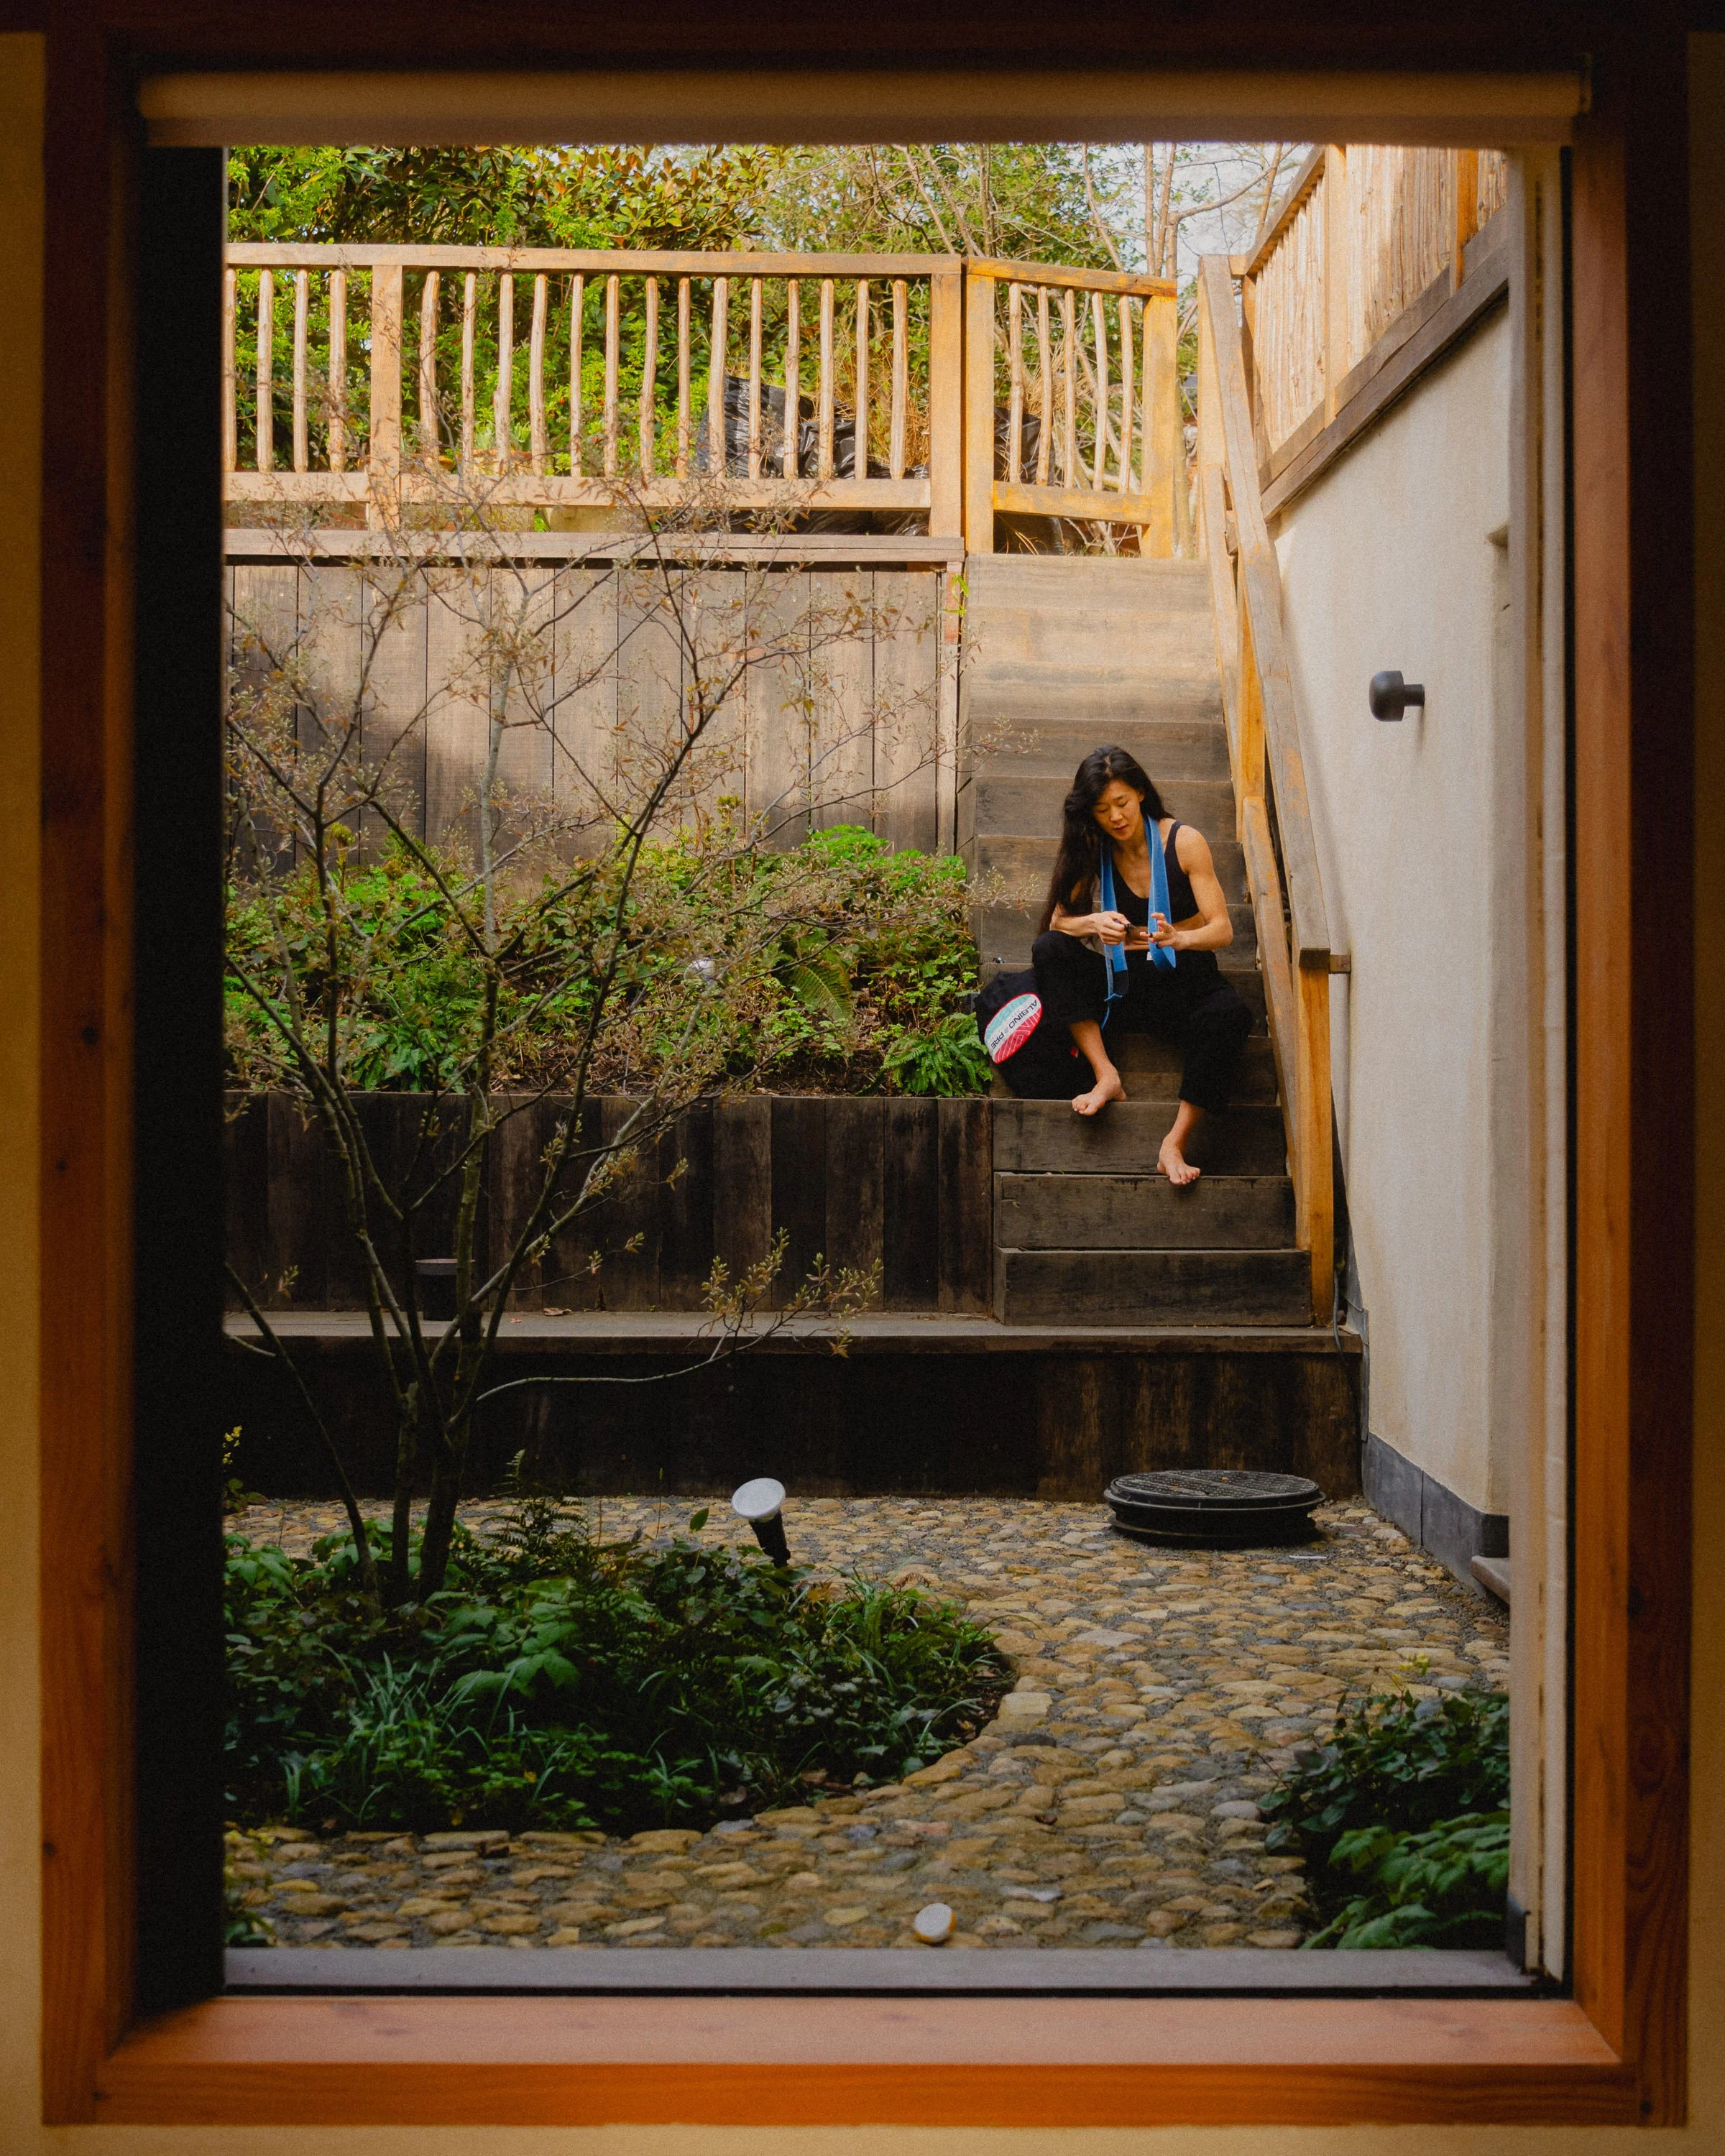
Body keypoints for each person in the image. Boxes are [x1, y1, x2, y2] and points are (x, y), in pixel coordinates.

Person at [998, 745, 1253, 1187]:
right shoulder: (1094, 846)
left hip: (1184, 979)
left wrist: (1179, 937)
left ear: (1139, 793)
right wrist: (1093, 923)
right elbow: (1059, 921)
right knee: (1050, 949)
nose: (1115, 817)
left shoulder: (1184, 842)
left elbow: (1224, 930)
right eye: (1102, 809)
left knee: (1230, 1014)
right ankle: (1106, 1074)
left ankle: (1173, 1143)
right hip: (1125, 985)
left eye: (1121, 803)